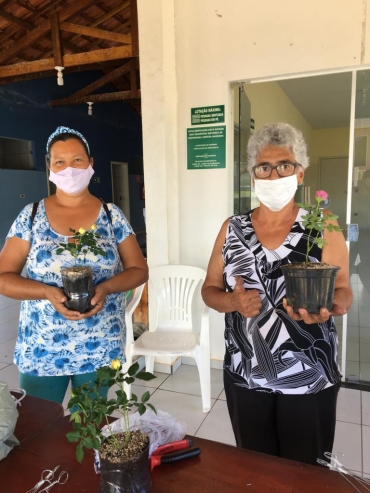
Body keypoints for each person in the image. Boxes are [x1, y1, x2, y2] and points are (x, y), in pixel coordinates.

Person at [201, 122, 353, 466]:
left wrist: (332, 307)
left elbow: (343, 290)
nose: (273, 175)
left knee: (305, 470)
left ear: (300, 174)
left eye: (284, 165)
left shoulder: (322, 224)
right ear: (253, 177)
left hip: (310, 375)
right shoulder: (232, 228)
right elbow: (209, 290)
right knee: (255, 467)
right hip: (246, 372)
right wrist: (232, 302)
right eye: (264, 168)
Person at [0, 126, 148, 405]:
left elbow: (139, 270)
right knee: (38, 432)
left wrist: (105, 288)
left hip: (100, 342)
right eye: (60, 162)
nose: (69, 169)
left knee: (90, 429)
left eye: (77, 160)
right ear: (49, 167)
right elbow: (3, 277)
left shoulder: (112, 215)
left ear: (91, 163)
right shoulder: (30, 217)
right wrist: (46, 292)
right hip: (43, 345)